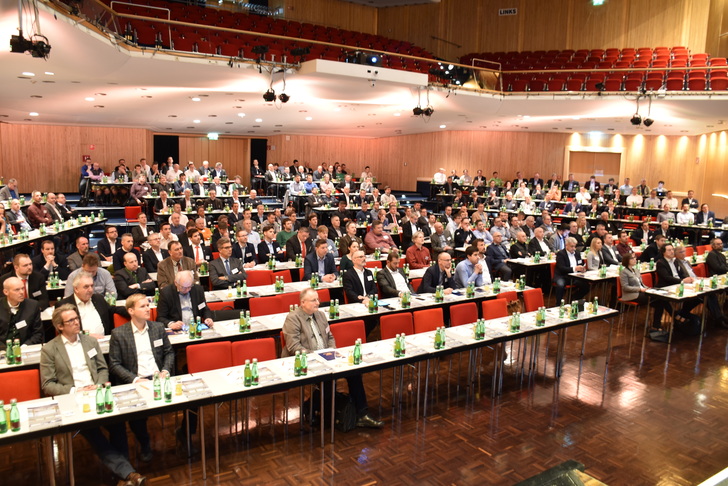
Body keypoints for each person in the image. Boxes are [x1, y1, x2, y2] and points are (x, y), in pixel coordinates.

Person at [40, 304, 147, 486]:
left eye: (77, 318)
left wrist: (98, 386)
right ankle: (128, 474)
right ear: (60, 326)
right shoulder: (50, 349)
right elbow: (47, 384)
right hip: (73, 398)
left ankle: (123, 475)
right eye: (71, 320)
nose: (76, 322)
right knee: (93, 432)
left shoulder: (90, 342)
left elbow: (102, 368)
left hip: (97, 394)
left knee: (118, 424)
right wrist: (76, 391)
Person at [281, 288, 383, 428]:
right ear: (302, 302)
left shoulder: (321, 315)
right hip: (303, 361)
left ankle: (362, 414)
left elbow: (330, 337)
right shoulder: (293, 318)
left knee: (354, 372)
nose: (318, 302)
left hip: (326, 356)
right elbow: (294, 347)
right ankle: (310, 407)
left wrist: (331, 351)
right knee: (328, 380)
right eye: (313, 300)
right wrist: (317, 356)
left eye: (318, 299)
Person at [109, 294, 175, 463]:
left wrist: (166, 371)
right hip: (136, 382)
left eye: (148, 305)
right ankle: (145, 443)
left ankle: (185, 437)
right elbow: (115, 364)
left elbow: (168, 352)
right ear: (131, 311)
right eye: (143, 306)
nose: (148, 309)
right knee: (136, 417)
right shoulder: (119, 334)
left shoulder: (158, 328)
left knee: (192, 402)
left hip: (160, 379)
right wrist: (135, 380)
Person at [619, 253, 667, 332]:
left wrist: (646, 288)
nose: (635, 260)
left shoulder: (636, 270)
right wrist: (640, 289)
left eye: (635, 258)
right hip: (632, 294)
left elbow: (641, 283)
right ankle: (658, 324)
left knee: (661, 301)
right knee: (658, 300)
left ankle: (656, 325)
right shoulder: (624, 272)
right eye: (632, 258)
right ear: (627, 260)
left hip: (642, 292)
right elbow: (625, 287)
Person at [57, 272, 114, 338]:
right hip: (79, 343)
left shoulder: (98, 299)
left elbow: (113, 310)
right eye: (86, 287)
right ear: (76, 289)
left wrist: (128, 308)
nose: (90, 290)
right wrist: (86, 336)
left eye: (92, 286)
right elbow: (64, 331)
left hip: (104, 340)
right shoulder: (64, 305)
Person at [0, 276, 43, 349]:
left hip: (25, 348)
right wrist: (5, 349)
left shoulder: (32, 305)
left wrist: (25, 346)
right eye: (17, 290)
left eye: (22, 288)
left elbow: (38, 333)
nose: (22, 292)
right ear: (6, 292)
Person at [553, 237, 590, 304]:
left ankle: (574, 298)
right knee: (560, 285)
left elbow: (580, 263)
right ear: (566, 245)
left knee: (586, 286)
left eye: (574, 246)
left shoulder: (577, 253)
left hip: (575, 276)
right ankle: (558, 304)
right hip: (563, 275)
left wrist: (582, 269)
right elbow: (562, 268)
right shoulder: (561, 254)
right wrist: (575, 268)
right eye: (571, 246)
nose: (573, 248)